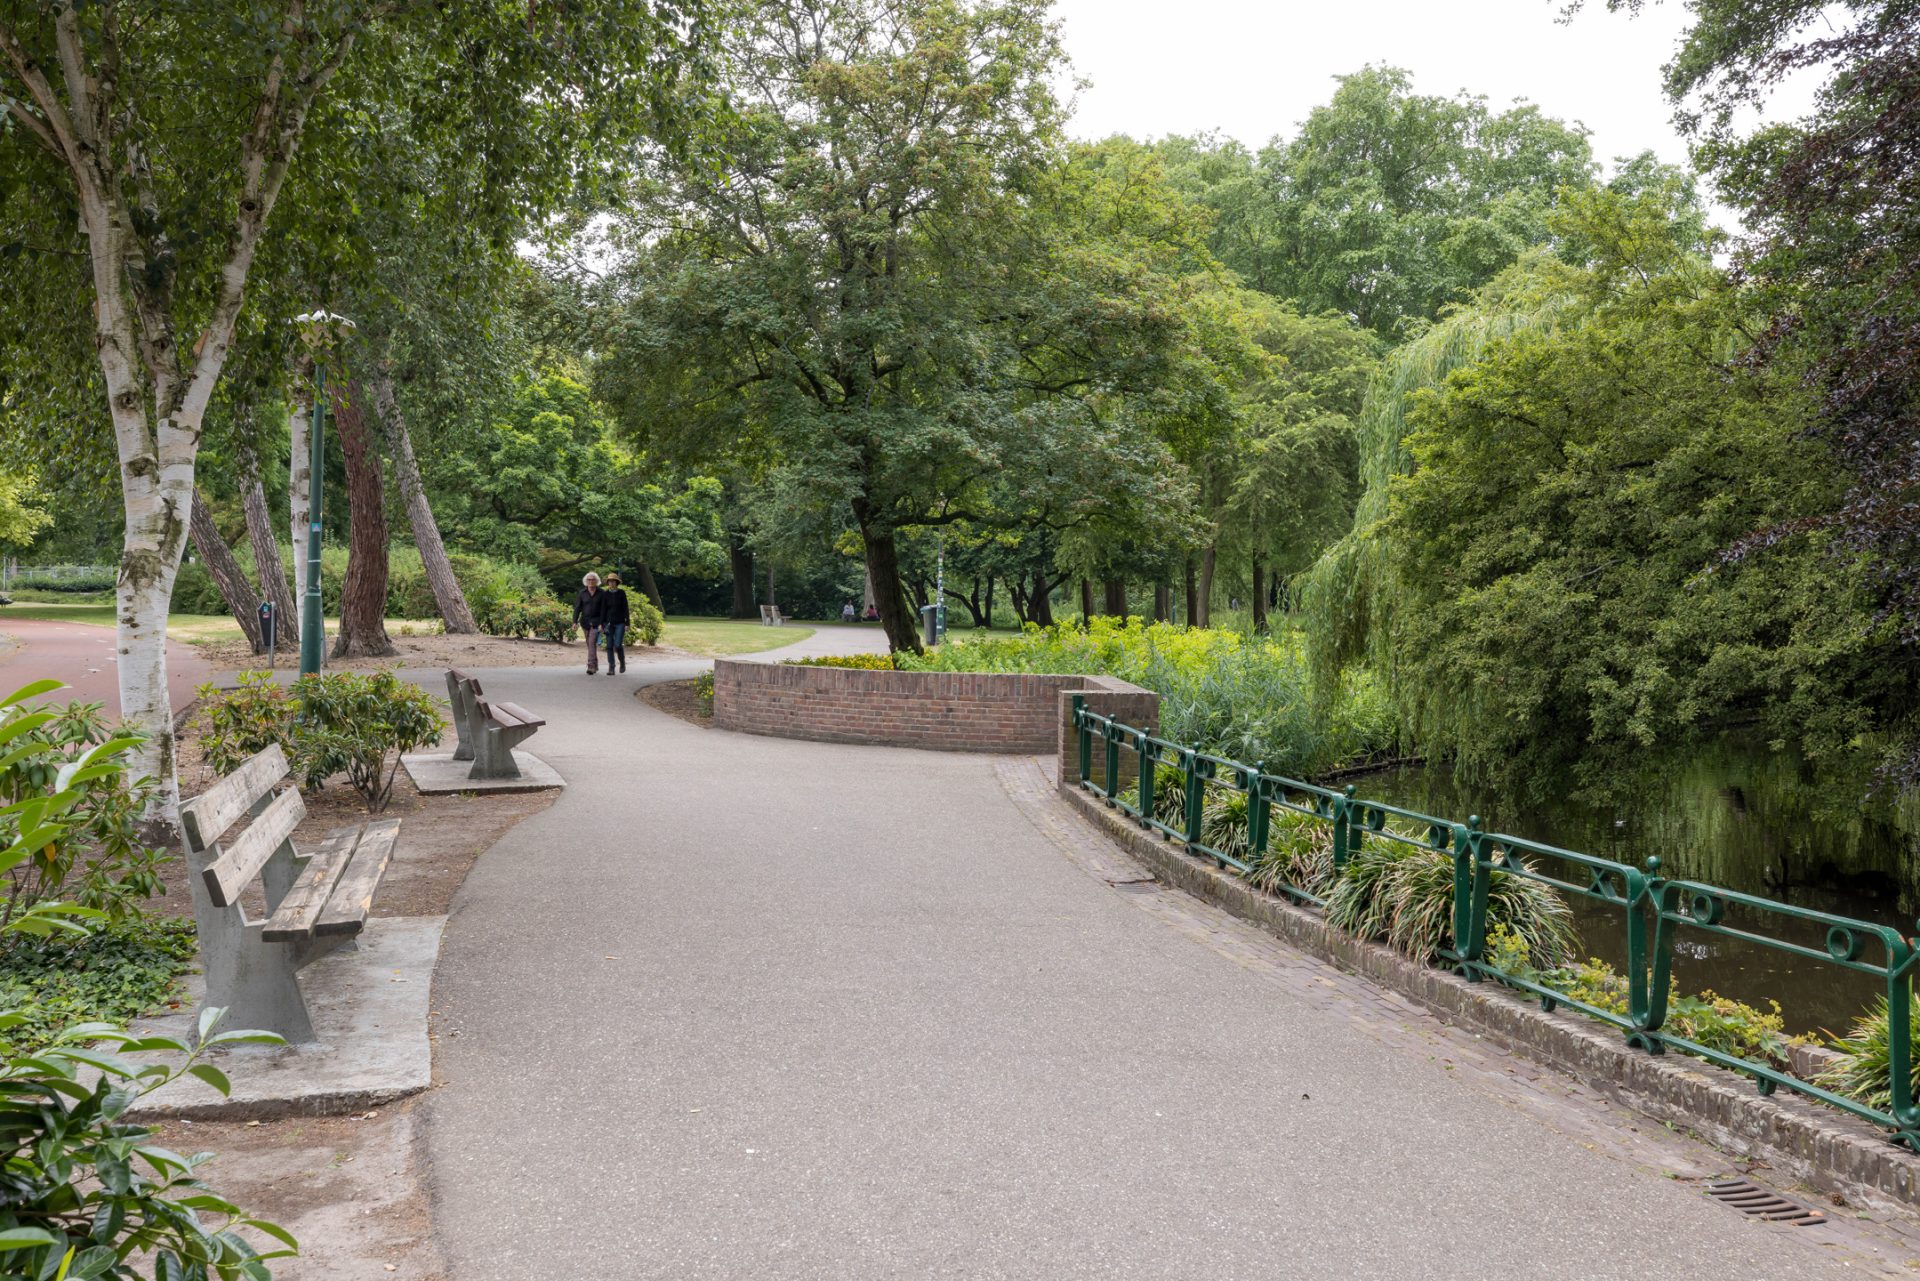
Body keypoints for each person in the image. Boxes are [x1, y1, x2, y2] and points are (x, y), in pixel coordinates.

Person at [573, 572, 605, 675]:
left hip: (597, 622)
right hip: (585, 622)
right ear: (586, 581)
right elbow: (577, 608)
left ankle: (591, 666)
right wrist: (574, 622)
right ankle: (595, 665)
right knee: (589, 644)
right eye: (589, 580)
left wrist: (602, 623)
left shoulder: (602, 593)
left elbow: (604, 610)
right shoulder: (582, 593)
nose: (591, 581)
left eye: (593, 579)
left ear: (597, 581)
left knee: (591, 642)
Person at [601, 571, 632, 675]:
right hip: (608, 623)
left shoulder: (621, 593)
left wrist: (627, 623)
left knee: (618, 645)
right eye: (610, 581)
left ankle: (622, 661)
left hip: (620, 623)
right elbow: (603, 610)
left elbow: (625, 608)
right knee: (609, 646)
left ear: (617, 582)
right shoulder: (605, 594)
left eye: (613, 581)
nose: (611, 583)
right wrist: (601, 624)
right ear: (608, 583)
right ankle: (611, 667)